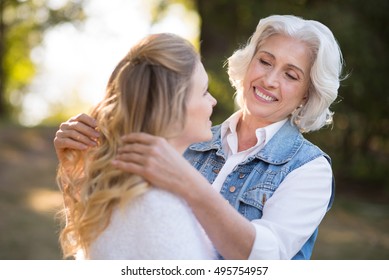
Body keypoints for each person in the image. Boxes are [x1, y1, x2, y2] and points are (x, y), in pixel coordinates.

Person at [54, 15, 345, 260]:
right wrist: (77, 168)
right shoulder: (188, 137)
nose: (269, 80)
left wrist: (189, 183)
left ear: (306, 94)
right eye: (265, 61)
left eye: (291, 75)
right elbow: (118, 237)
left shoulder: (309, 169)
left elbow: (267, 260)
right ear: (249, 62)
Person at [55, 33, 217, 259]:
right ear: (172, 108)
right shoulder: (157, 207)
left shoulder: (116, 193)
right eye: (204, 92)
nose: (213, 101)